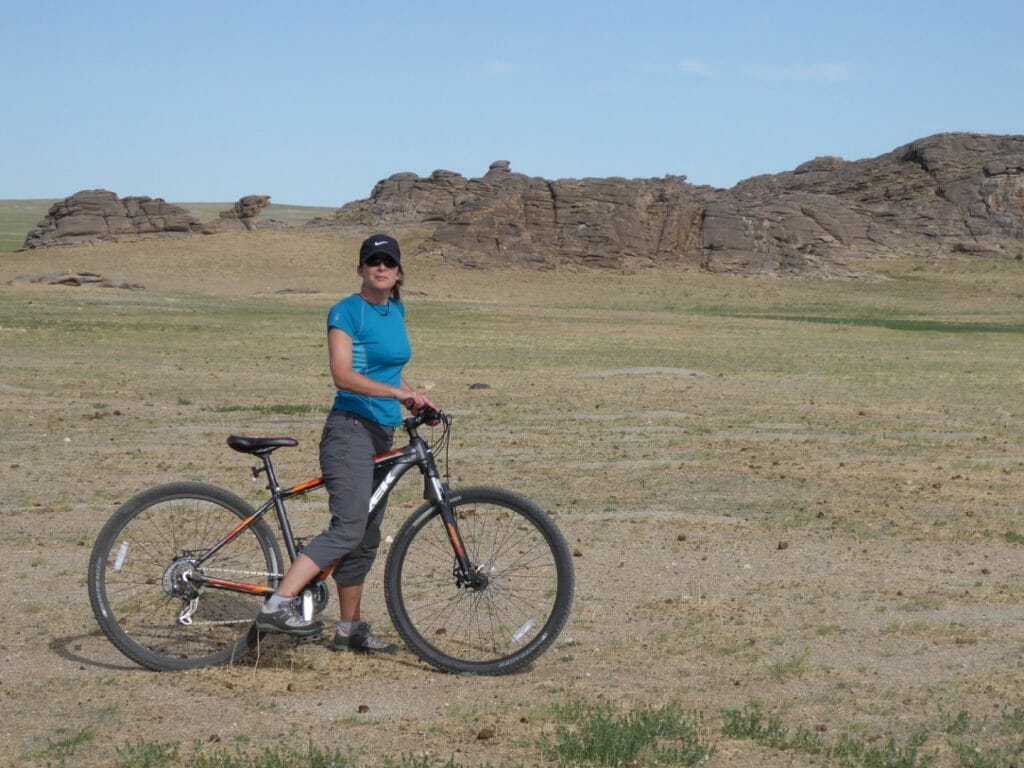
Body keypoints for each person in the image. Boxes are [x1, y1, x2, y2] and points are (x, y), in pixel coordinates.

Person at [255, 233, 438, 653]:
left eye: (388, 262)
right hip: (349, 431)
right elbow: (343, 374)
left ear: (397, 273)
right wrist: (396, 394)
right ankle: (278, 605)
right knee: (349, 526)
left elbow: (389, 373)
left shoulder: (396, 311)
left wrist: (414, 397)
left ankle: (349, 629)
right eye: (373, 261)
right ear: (360, 269)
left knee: (367, 534)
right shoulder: (346, 312)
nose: (381, 268)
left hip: (382, 434)